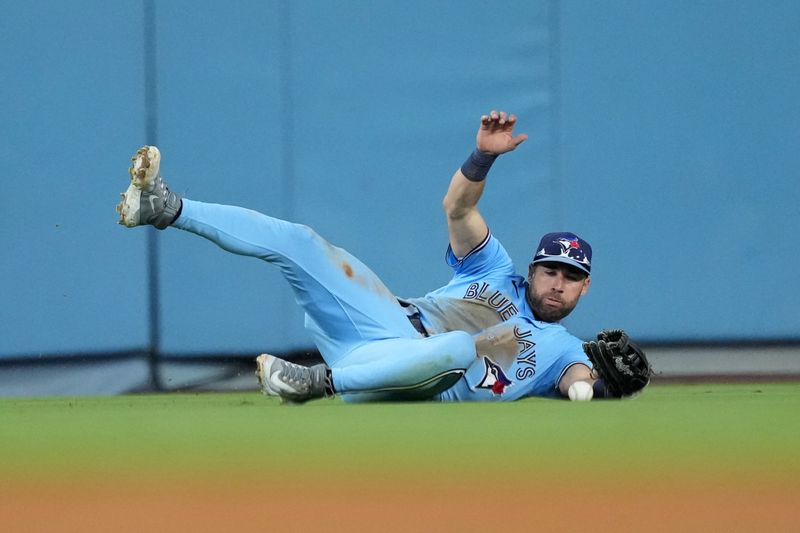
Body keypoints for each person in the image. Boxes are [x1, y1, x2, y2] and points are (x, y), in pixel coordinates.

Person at [116, 111, 602, 403]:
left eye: (570, 276)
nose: (557, 283)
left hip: (406, 377)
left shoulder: (563, 348)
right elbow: (458, 206)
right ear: (533, 269)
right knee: (302, 241)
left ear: (585, 286)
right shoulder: (493, 268)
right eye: (550, 270)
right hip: (382, 321)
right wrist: (482, 157)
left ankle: (317, 382)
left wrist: (600, 387)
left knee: (458, 348)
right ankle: (165, 207)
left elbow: (580, 382)